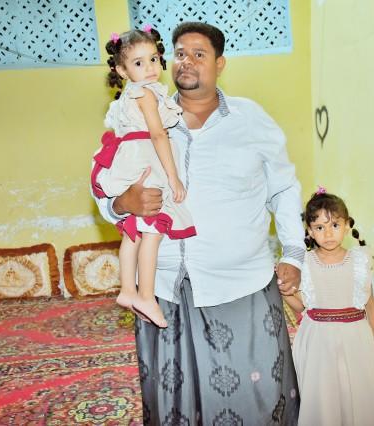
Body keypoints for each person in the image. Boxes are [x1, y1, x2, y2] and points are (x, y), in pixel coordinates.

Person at [93, 22, 303, 424]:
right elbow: (105, 180)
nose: (186, 61)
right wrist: (122, 203)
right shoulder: (137, 114)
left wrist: (293, 254)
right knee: (176, 406)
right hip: (166, 290)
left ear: (219, 64)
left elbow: (283, 188)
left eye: (198, 54)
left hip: (241, 285)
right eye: (179, 54)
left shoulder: (251, 119)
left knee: (257, 400)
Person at [91, 27, 196, 328]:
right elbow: (158, 135)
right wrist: (173, 178)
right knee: (153, 230)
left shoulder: (127, 98)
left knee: (133, 231)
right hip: (146, 159)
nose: (150, 67)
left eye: (153, 58)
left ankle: (127, 289)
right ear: (122, 70)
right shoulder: (146, 93)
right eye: (138, 63)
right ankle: (146, 295)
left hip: (132, 159)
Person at [284, 188, 374, 425]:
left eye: (334, 225)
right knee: (326, 400)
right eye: (320, 227)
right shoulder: (305, 263)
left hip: (356, 342)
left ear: (347, 225)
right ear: (309, 231)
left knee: (360, 399)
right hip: (318, 343)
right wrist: (285, 292)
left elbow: (370, 307)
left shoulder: (360, 260)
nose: (328, 233)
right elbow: (303, 307)